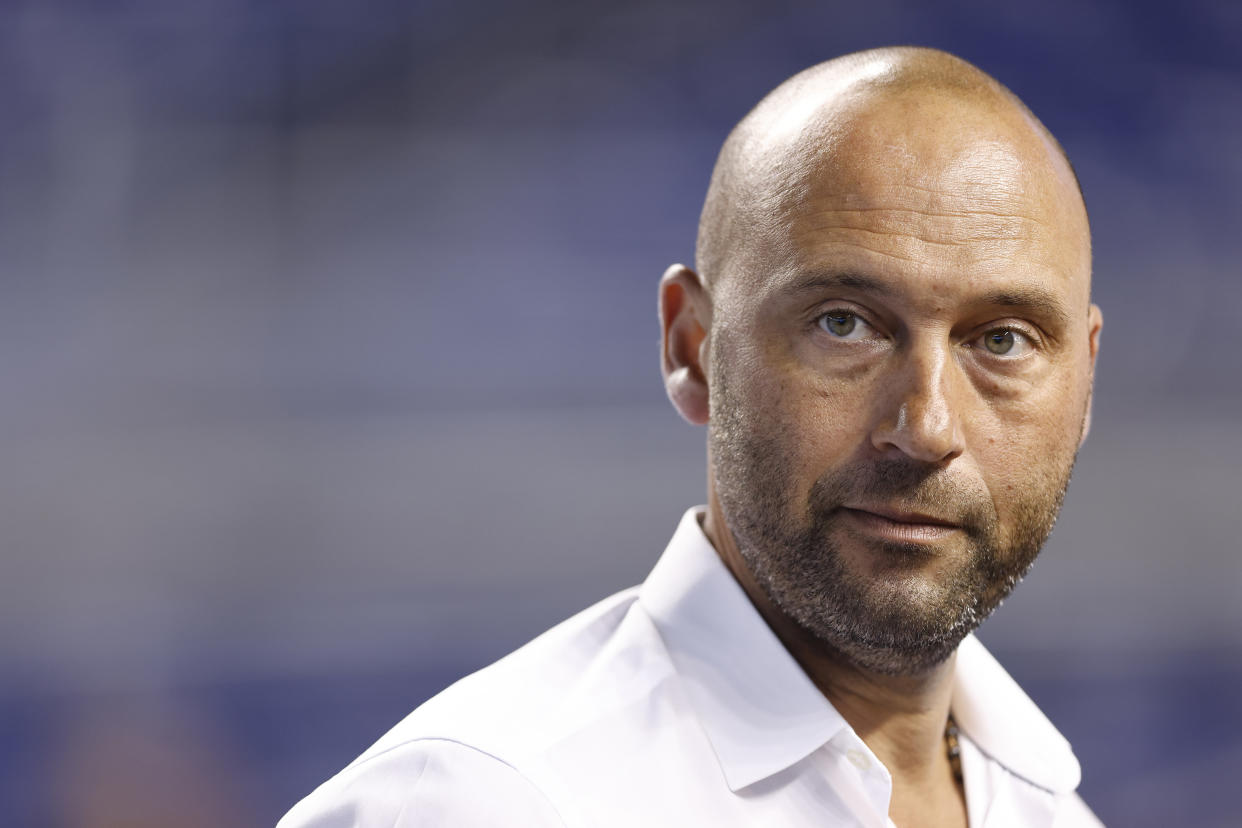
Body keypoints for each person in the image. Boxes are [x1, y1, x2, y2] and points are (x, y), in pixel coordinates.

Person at [279, 46, 1104, 827]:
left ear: (1086, 379)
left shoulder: (1054, 810)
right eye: (844, 324)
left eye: (1002, 340)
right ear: (693, 348)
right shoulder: (479, 802)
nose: (925, 428)